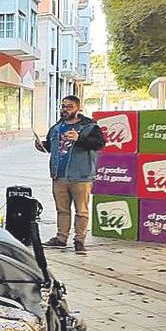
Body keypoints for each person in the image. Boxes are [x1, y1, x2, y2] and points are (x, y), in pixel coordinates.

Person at [35, 95, 105, 254]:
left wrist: (79, 138)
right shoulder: (57, 126)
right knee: (62, 209)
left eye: (69, 107)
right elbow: (51, 146)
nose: (65, 109)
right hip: (59, 175)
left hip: (80, 175)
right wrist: (42, 146)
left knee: (81, 210)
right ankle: (61, 238)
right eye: (63, 106)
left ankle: (79, 240)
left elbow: (99, 144)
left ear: (78, 108)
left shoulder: (89, 126)